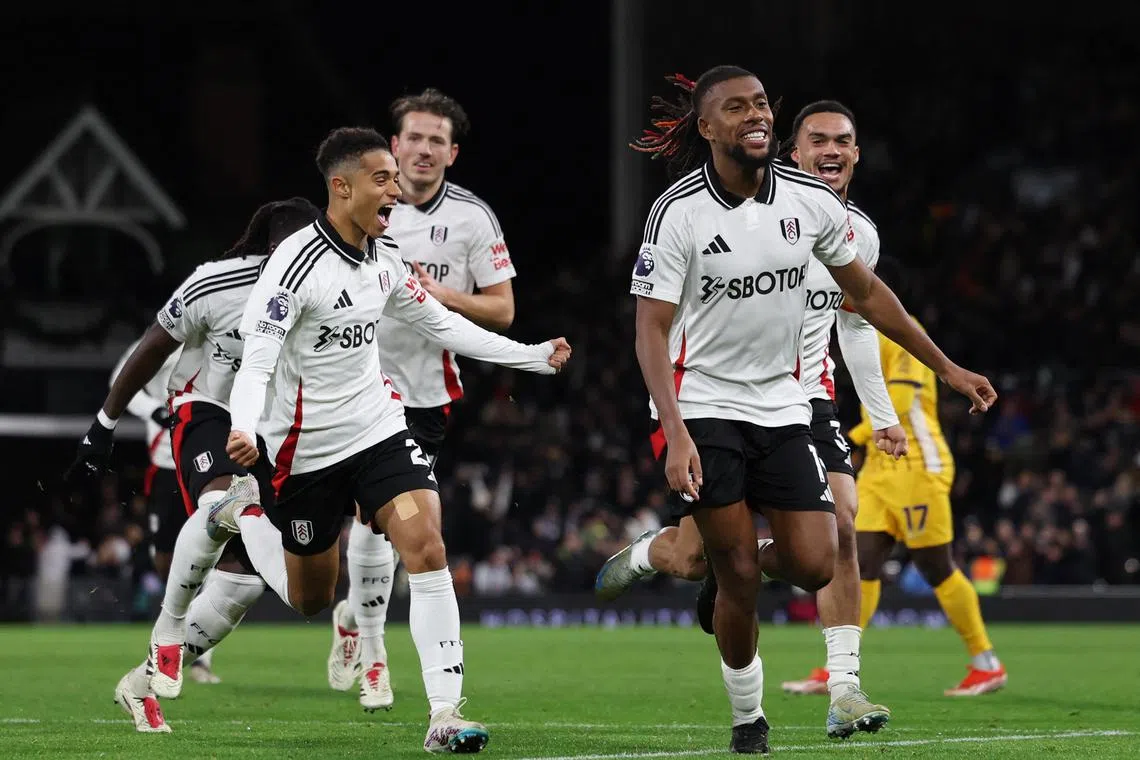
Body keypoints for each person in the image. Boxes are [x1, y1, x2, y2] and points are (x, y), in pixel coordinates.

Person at [615, 66, 996, 753]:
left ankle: (677, 556)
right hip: (700, 403)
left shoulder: (813, 206)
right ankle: (748, 719)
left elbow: (870, 301)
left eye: (761, 103)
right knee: (731, 572)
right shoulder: (679, 212)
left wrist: (946, 367)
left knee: (816, 560)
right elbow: (649, 327)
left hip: (787, 403)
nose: (755, 114)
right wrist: (673, 432)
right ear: (707, 128)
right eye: (737, 108)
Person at [219, 126, 570, 753]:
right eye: (382, 179)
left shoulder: (385, 261)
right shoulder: (293, 267)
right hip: (303, 455)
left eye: (396, 180)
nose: (396, 190)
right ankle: (245, 512)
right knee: (310, 598)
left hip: (378, 428)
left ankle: (444, 714)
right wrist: (243, 426)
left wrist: (533, 358)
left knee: (426, 543)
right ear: (342, 186)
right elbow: (257, 363)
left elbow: (443, 324)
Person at [597, 99, 908, 739]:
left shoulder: (856, 234)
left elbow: (858, 325)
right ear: (792, 152)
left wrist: (882, 415)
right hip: (710, 398)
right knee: (700, 559)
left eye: (843, 141)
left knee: (842, 526)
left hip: (803, 398)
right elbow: (657, 322)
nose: (830, 150)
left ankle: (844, 688)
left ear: (856, 154)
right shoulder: (720, 212)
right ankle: (658, 552)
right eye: (816, 139)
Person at [65, 197, 322, 732]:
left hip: (274, 432)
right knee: (224, 500)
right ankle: (168, 630)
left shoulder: (327, 291)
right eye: (293, 249)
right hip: (205, 409)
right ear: (270, 249)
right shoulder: (213, 283)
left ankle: (140, 682)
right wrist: (104, 424)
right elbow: (151, 349)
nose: (303, 260)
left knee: (246, 582)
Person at [325, 88, 519, 712]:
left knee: (392, 525)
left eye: (438, 140)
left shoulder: (472, 218)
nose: (424, 149)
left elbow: (504, 308)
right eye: (414, 137)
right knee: (372, 519)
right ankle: (376, 655)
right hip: (354, 387)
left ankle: (359, 623)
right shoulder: (364, 203)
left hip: (428, 394)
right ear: (394, 144)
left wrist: (442, 295)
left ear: (453, 153)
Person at [841, 254, 1007, 697]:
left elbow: (903, 396)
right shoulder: (856, 326)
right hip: (880, 470)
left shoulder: (903, 327)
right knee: (863, 565)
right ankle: (840, 668)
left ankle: (985, 662)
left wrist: (849, 433)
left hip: (916, 463)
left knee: (936, 566)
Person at [110, 338, 222, 685]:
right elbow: (119, 379)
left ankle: (199, 657)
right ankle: (177, 623)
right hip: (164, 464)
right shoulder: (157, 340)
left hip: (205, 457)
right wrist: (153, 410)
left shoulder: (215, 338)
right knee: (165, 561)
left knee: (211, 550)